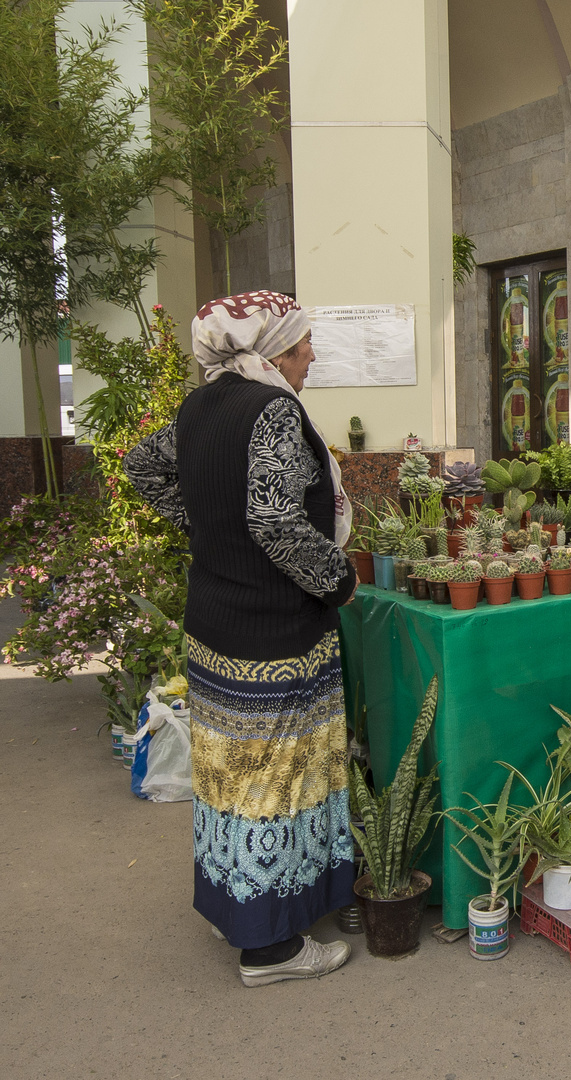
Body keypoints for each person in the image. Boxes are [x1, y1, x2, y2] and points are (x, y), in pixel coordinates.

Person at [123, 292, 359, 987]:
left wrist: (203, 527)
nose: (312, 354)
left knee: (235, 780)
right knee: (279, 781)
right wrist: (338, 580)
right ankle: (271, 949)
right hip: (274, 630)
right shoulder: (273, 408)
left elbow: (145, 468)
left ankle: (270, 909)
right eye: (306, 343)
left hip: (217, 627)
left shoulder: (202, 407)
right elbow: (277, 523)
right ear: (278, 348)